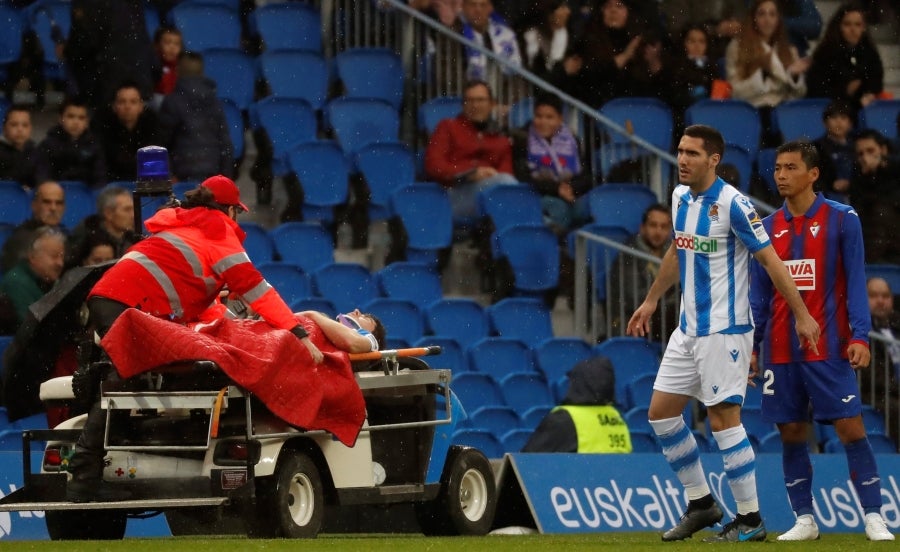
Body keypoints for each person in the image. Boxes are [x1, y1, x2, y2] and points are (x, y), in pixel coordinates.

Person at [65, 175, 321, 502]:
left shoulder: (182, 226)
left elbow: (186, 295)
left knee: (127, 378)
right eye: (236, 212)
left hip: (112, 298)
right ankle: (84, 478)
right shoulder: (218, 232)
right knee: (124, 380)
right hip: (126, 304)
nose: (237, 219)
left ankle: (88, 472)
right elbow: (258, 291)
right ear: (228, 209)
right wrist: (298, 332)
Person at [626, 124, 820, 542]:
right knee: (660, 414)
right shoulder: (679, 197)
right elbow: (679, 250)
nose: (682, 160)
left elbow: (770, 261)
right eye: (680, 151)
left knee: (723, 419)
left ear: (713, 160)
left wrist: (802, 314)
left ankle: (750, 518)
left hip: (725, 331)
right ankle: (701, 503)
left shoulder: (735, 205)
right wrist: (652, 299)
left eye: (692, 154)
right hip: (688, 328)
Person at [749, 141, 894, 542]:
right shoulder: (766, 228)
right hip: (780, 350)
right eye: (777, 167)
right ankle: (805, 520)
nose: (781, 175)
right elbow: (759, 296)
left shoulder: (843, 219)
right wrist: (751, 346)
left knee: (851, 429)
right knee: (791, 433)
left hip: (829, 348)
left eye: (790, 167)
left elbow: (856, 283)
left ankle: (874, 515)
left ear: (813, 174)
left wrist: (860, 335)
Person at [424, 80, 516, 224]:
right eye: (469, 100)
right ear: (463, 105)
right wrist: (470, 174)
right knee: (506, 185)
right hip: (453, 195)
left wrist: (488, 175)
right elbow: (433, 166)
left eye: (480, 100)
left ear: (492, 104)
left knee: (509, 188)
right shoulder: (448, 126)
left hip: (489, 195)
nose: (475, 105)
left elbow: (506, 172)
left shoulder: (501, 139)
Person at [725, 0, 808, 145]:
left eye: (772, 14)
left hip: (783, 112)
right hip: (753, 110)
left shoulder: (789, 50)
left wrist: (793, 75)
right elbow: (735, 91)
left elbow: (799, 94)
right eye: (762, 14)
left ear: (778, 19)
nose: (767, 19)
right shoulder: (737, 47)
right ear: (754, 18)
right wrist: (764, 75)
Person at [511, 92, 590, 235]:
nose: (543, 122)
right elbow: (523, 177)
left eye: (549, 117)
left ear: (560, 119)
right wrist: (556, 189)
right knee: (559, 208)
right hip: (536, 195)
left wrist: (571, 188)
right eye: (539, 116)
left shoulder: (572, 140)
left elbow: (585, 176)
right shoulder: (523, 139)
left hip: (566, 193)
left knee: (585, 208)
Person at [522, 356, 631, 453]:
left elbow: (527, 461)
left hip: (580, 475)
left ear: (579, 383)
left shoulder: (564, 419)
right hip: (616, 476)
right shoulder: (616, 416)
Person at [158, 52, 235, 183]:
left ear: (178, 71)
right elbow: (226, 144)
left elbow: (162, 143)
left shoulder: (172, 101)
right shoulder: (214, 102)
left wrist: (169, 174)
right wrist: (225, 177)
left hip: (181, 175)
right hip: (212, 175)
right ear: (201, 72)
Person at [608, 204, 675, 341]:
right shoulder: (628, 255)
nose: (658, 231)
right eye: (653, 225)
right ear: (642, 228)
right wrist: (669, 288)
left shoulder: (673, 255)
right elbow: (635, 299)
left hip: (663, 323)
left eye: (664, 227)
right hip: (632, 322)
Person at [807, 2, 884, 115]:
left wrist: (868, 93)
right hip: (830, 112)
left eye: (858, 25)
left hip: (862, 110)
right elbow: (816, 89)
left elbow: (876, 83)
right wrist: (845, 92)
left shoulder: (870, 53)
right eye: (847, 24)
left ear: (864, 28)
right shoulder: (825, 53)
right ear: (838, 27)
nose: (853, 29)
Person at [92, 80, 161, 182]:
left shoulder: (153, 128)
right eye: (122, 101)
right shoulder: (104, 129)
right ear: (114, 106)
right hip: (112, 183)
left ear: (141, 107)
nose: (127, 106)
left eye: (133, 102)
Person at [849, 129, 900, 264]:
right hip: (872, 233)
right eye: (860, 154)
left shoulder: (896, 168)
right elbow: (858, 205)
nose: (865, 158)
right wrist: (868, 177)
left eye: (870, 151)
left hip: (894, 227)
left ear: (883, 150)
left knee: (880, 211)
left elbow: (894, 200)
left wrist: (880, 172)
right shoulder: (858, 173)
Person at [0, 226, 66, 328]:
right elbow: (30, 328)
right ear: (32, 256)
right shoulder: (16, 283)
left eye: (62, 257)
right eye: (54, 256)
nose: (60, 263)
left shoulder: (52, 283)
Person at [34, 97, 107, 189]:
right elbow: (43, 176)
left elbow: (100, 178)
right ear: (60, 119)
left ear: (87, 122)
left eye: (81, 118)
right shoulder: (48, 145)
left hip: (86, 196)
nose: (76, 122)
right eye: (71, 116)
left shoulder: (94, 146)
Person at [1, 181, 66, 272]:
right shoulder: (20, 239)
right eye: (46, 202)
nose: (53, 208)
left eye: (59, 203)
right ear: (34, 205)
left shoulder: (67, 235)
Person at [65, 186, 139, 266]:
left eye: (133, 209)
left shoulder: (134, 239)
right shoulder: (86, 241)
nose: (133, 215)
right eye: (127, 210)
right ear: (108, 213)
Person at [451, 0, 522, 82]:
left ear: (490, 8)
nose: (478, 10)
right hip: (467, 91)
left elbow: (516, 75)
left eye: (483, 5)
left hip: (500, 90)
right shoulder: (453, 34)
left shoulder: (506, 34)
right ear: (463, 7)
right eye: (472, 5)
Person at [813, 100, 856, 204]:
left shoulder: (858, 146)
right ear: (825, 123)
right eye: (834, 118)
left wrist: (852, 184)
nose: (839, 122)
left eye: (843, 118)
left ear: (850, 124)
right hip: (828, 196)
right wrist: (831, 184)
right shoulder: (816, 148)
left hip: (857, 193)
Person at [0, 104, 38, 188]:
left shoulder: (35, 152)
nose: (20, 129)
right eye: (14, 125)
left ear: (30, 128)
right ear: (4, 128)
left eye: (25, 125)